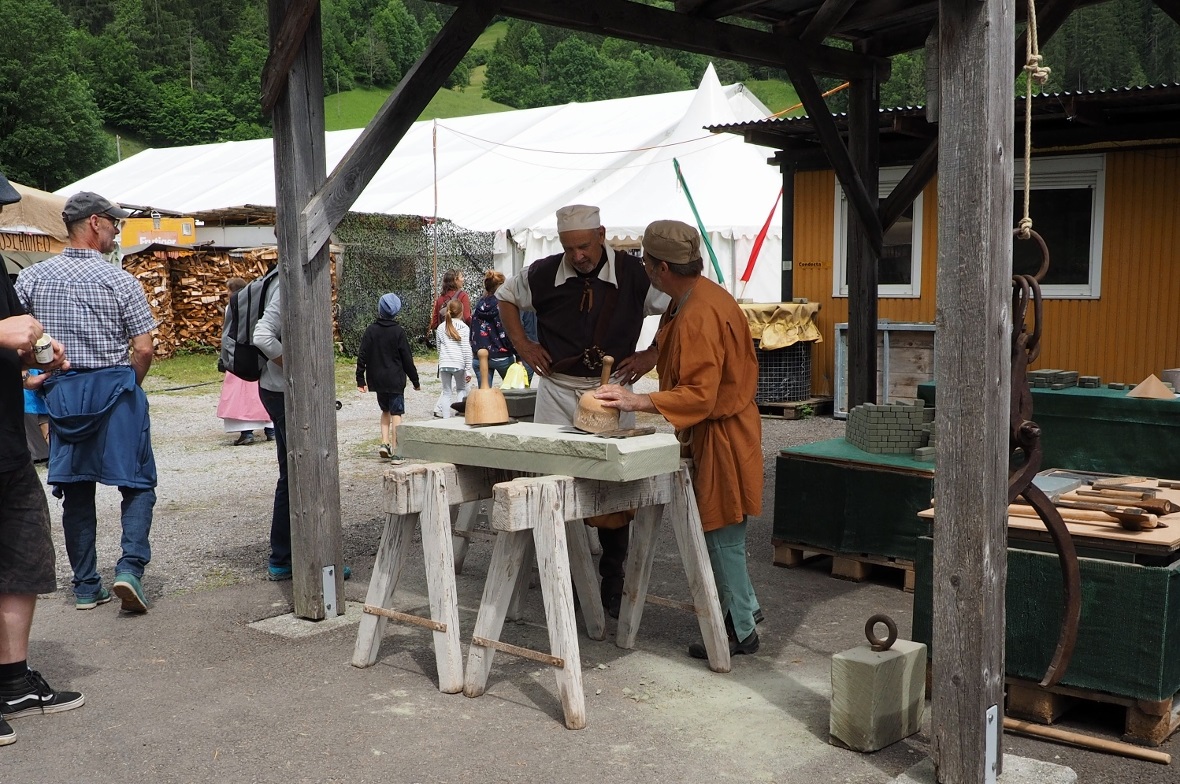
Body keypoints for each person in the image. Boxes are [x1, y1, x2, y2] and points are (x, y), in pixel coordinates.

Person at [595, 220, 762, 658]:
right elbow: (677, 350)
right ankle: (746, 608)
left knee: (721, 533)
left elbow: (700, 395)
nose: (644, 268)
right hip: (722, 428)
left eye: (646, 262)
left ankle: (741, 630)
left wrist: (638, 401)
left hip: (722, 433)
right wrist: (650, 356)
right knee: (724, 531)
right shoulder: (694, 297)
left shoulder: (699, 314)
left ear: (662, 268)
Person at [496, 204, 669, 617]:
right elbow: (505, 297)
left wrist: (653, 353)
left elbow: (677, 303)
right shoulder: (543, 274)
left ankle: (612, 577)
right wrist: (523, 345)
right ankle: (567, 578)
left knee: (614, 483)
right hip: (558, 390)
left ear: (601, 235)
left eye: (585, 246)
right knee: (553, 481)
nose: (578, 256)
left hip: (614, 391)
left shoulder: (633, 273)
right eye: (569, 248)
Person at [15, 191, 156, 614]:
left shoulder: (32, 279)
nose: (117, 232)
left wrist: (30, 378)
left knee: (76, 491)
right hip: (115, 387)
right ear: (95, 222)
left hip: (63, 392)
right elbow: (144, 348)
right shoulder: (120, 280)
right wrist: (129, 385)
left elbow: (16, 340)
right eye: (115, 223)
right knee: (138, 483)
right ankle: (129, 568)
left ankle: (85, 586)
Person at [1, 177, 84, 747]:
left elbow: (14, 346)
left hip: (8, 444)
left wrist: (35, 367)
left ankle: (12, 680)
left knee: (22, 560)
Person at [252, 287, 350, 582]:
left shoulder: (288, 280)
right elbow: (262, 336)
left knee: (294, 475)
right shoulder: (286, 285)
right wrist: (298, 367)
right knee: (306, 473)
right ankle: (309, 559)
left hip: (279, 390)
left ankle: (288, 557)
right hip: (285, 393)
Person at [356, 292, 420, 459]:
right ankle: (397, 450)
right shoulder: (398, 332)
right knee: (396, 413)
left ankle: (384, 443)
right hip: (395, 380)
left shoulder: (371, 330)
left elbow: (362, 354)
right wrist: (415, 380)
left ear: (380, 309)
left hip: (378, 380)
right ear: (396, 311)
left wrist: (360, 379)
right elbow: (407, 359)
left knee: (385, 411)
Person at [216, 277, 273, 446]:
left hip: (238, 352)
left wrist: (225, 355)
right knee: (260, 391)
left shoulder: (232, 305)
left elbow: (228, 332)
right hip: (257, 353)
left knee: (240, 396)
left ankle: (246, 432)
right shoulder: (258, 301)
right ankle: (270, 429)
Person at [470, 270, 514, 387]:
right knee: (512, 391)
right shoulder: (502, 306)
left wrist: (475, 349)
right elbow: (508, 331)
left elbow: (473, 330)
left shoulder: (478, 306)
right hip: (502, 354)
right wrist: (516, 353)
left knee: (484, 393)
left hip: (480, 356)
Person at [433, 298, 472, 419]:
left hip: (444, 363)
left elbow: (439, 347)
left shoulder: (441, 327)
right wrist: (468, 368)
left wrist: (442, 358)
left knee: (446, 392)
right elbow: (466, 348)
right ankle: (459, 416)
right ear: (461, 312)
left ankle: (446, 419)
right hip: (458, 363)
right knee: (461, 389)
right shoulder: (464, 328)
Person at [427, 269, 471, 337]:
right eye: (461, 277)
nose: (463, 279)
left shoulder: (440, 299)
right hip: (460, 337)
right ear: (455, 280)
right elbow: (467, 319)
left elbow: (434, 323)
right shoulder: (463, 296)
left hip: (444, 337)